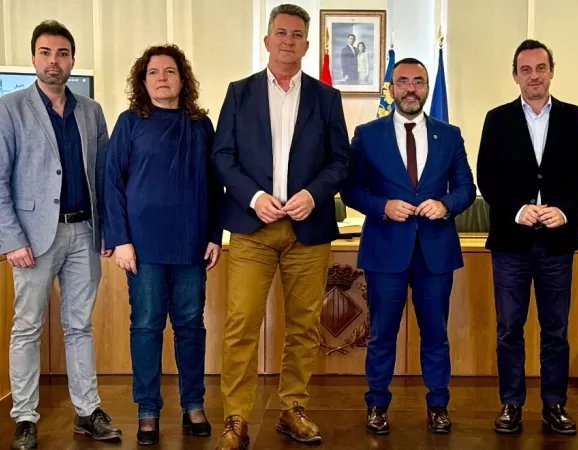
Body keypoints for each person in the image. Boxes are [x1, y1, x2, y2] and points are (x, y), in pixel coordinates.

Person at [210, 4, 352, 449]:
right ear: (267, 40)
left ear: (306, 45)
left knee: (304, 325)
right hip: (253, 228)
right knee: (241, 324)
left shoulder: (326, 98)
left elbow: (341, 161)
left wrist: (314, 194)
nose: (288, 40)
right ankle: (236, 417)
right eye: (281, 33)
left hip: (308, 229)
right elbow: (221, 156)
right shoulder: (239, 92)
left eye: (296, 34)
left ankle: (292, 408)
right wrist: (254, 197)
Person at [0, 20, 122, 450]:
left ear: (72, 60)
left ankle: (87, 411)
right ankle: (25, 417)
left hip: (84, 232)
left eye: (63, 53)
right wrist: (11, 239)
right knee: (27, 328)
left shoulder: (91, 111)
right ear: (34, 58)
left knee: (79, 326)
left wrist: (109, 228)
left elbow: (105, 175)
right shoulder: (9, 108)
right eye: (46, 53)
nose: (55, 61)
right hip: (33, 238)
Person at [342, 57, 475, 435]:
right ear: (392, 88)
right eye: (403, 82)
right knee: (382, 333)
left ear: (427, 88)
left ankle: (438, 405)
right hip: (385, 250)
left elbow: (466, 188)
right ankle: (377, 405)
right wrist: (382, 206)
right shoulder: (368, 134)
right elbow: (351, 189)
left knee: (435, 334)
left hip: (435, 251)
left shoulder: (449, 135)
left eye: (418, 81)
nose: (411, 89)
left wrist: (445, 205)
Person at [102, 43, 222, 446]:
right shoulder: (130, 122)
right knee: (147, 326)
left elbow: (216, 185)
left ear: (183, 79)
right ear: (143, 80)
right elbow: (111, 182)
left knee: (190, 326)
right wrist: (120, 240)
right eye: (153, 72)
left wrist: (214, 235)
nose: (162, 78)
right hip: (143, 248)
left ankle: (193, 405)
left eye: (169, 71)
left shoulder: (201, 125)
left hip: (191, 245)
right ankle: (148, 410)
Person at [476, 39, 578, 435]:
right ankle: (511, 404)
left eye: (541, 68)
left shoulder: (576, 118)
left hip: (558, 242)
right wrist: (516, 209)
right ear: (515, 76)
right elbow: (487, 176)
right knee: (509, 328)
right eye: (525, 69)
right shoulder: (497, 119)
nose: (534, 76)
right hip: (511, 242)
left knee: (555, 330)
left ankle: (554, 404)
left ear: (551, 72)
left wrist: (564, 210)